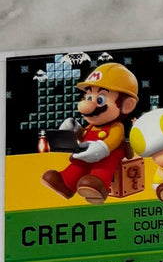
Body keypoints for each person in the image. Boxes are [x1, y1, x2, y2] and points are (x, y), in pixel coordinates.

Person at [41, 63, 139, 205]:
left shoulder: (116, 127)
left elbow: (113, 140)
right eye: (88, 97)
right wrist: (74, 130)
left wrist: (101, 148)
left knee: (104, 165)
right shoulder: (92, 125)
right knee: (79, 164)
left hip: (109, 154)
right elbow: (84, 135)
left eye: (100, 99)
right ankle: (66, 184)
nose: (87, 105)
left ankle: (98, 186)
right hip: (88, 152)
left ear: (127, 105)